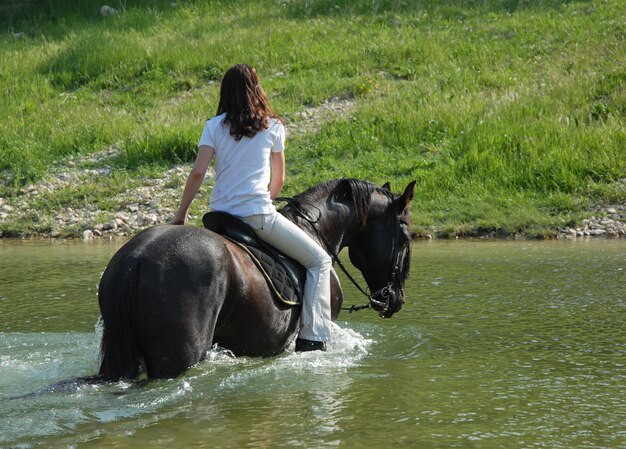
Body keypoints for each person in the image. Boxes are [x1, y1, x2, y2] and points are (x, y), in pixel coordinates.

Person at [172, 64, 332, 352]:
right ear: (257, 89)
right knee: (320, 261)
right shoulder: (273, 126)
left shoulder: (214, 126)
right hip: (256, 216)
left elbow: (197, 173)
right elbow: (279, 178)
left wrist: (181, 214)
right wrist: (266, 200)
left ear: (225, 92)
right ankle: (313, 337)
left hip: (219, 218)